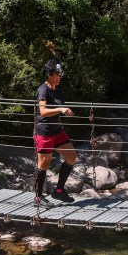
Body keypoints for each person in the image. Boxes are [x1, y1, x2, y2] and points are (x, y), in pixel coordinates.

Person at [32, 58, 77, 206]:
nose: (60, 76)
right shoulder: (43, 90)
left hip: (57, 130)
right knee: (43, 164)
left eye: (60, 73)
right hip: (44, 132)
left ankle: (58, 191)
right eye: (58, 73)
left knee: (71, 156)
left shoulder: (56, 89)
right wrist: (60, 109)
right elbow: (43, 111)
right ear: (51, 74)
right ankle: (38, 198)